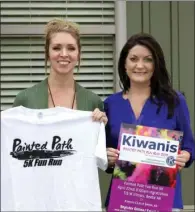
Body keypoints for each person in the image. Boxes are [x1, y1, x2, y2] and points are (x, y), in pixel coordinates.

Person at [104, 33, 195, 211]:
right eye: (133, 59)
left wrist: (185, 156)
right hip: (123, 200)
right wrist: (107, 157)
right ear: (124, 63)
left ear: (156, 64)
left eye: (148, 59)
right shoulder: (110, 104)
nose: (140, 65)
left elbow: (190, 147)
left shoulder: (174, 101)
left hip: (163, 200)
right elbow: (103, 155)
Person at [13, 18, 107, 124]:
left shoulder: (93, 102)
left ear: (79, 54)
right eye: (57, 48)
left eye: (71, 48)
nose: (64, 54)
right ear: (47, 53)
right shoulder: (25, 99)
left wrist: (101, 126)